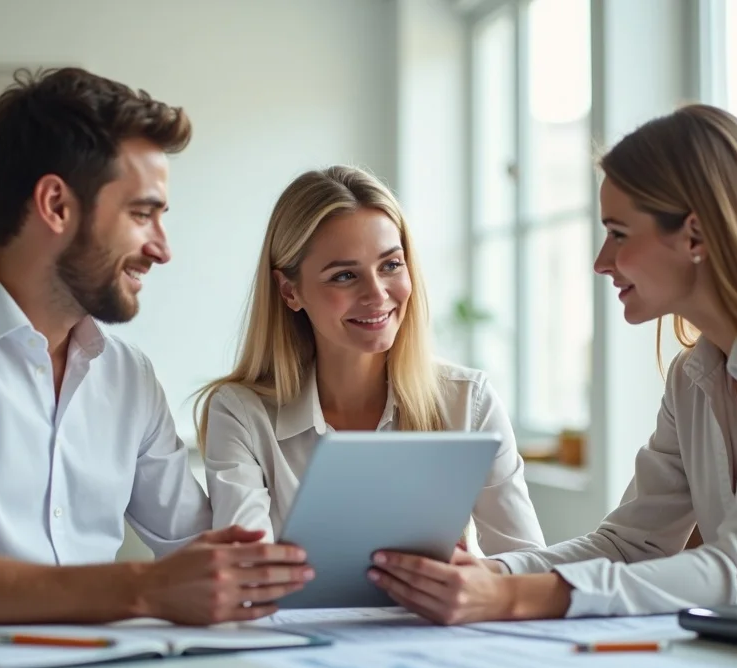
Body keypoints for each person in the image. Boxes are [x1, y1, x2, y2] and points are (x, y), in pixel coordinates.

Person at [367, 104, 737, 624]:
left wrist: (515, 598)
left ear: (695, 233)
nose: (602, 261)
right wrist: (490, 573)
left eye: (619, 233)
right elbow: (631, 543)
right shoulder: (695, 375)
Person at [0, 67, 312, 627]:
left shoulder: (128, 376)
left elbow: (202, 552)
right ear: (55, 205)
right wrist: (141, 589)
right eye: (142, 213)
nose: (162, 249)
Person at [194, 165, 545, 555]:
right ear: (289, 290)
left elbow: (525, 564)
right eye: (344, 276)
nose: (377, 295)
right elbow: (246, 573)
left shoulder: (468, 401)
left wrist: (474, 585)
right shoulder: (242, 414)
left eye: (391, 265)